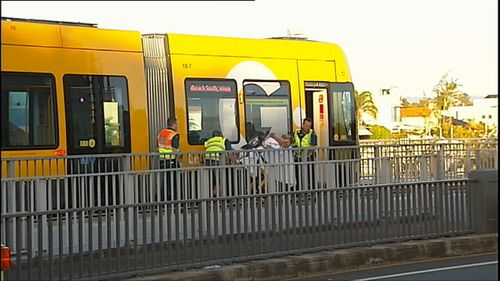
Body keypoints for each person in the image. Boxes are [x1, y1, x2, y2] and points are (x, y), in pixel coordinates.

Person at [204, 130, 234, 197]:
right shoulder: (224, 140)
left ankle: (212, 193)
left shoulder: (209, 141)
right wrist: (234, 163)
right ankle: (219, 195)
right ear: (221, 135)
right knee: (220, 178)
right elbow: (230, 153)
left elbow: (206, 145)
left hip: (207, 160)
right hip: (217, 159)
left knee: (212, 178)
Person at [157, 117, 180, 200]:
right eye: (177, 124)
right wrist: (179, 162)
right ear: (173, 124)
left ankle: (162, 200)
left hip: (162, 161)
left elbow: (158, 147)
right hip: (171, 161)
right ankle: (175, 201)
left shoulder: (161, 133)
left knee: (166, 182)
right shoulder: (174, 134)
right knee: (175, 183)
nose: (177, 126)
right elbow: (175, 150)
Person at [293, 117, 317, 190]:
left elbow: (313, 145)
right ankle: (299, 190)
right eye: (306, 126)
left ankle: (311, 191)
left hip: (309, 158)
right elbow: (293, 142)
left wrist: (305, 154)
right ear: (303, 125)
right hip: (298, 158)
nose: (308, 128)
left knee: (310, 175)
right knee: (298, 175)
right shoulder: (296, 132)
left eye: (309, 126)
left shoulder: (312, 133)